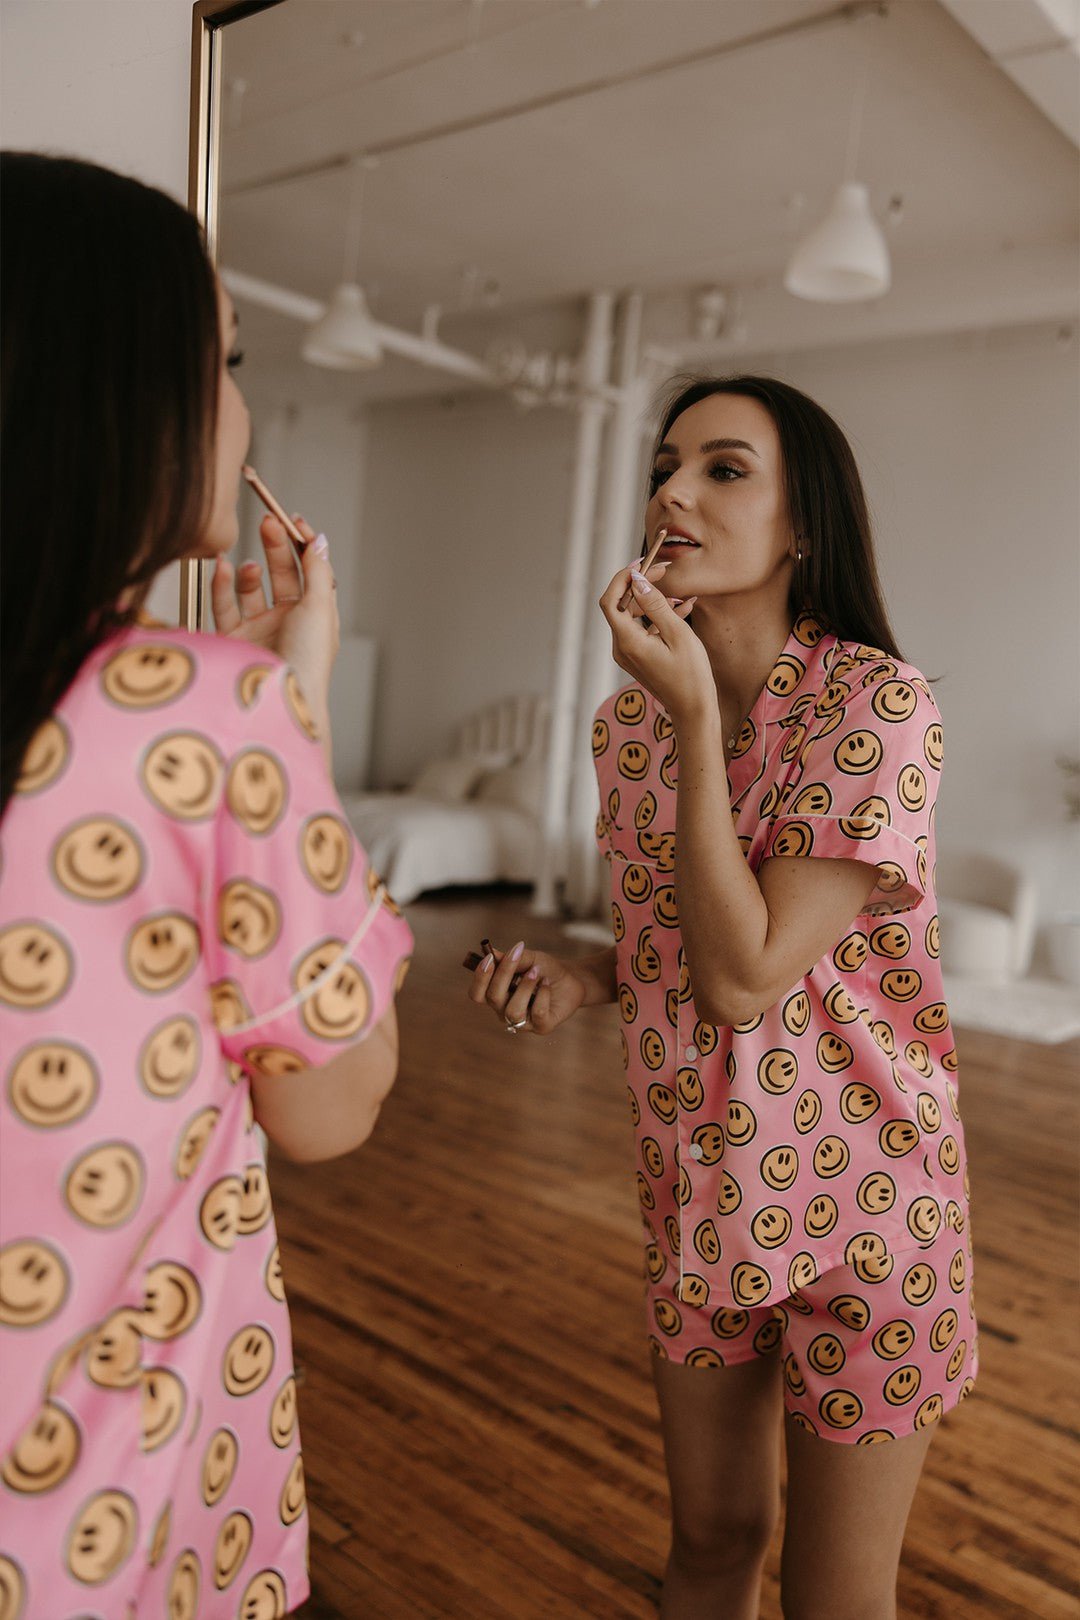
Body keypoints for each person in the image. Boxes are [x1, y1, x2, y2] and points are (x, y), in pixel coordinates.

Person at [469, 375, 977, 1619]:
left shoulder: (879, 707)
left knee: (832, 1597)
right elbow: (668, 939)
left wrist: (694, 714)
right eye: (664, 465)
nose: (672, 493)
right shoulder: (623, 729)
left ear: (805, 526)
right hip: (699, 1190)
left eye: (724, 469)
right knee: (708, 1543)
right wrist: (580, 978)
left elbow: (748, 976)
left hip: (866, 1202)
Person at [0, 153, 412, 1620]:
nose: (243, 409)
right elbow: (327, 1104)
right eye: (225, 359)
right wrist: (284, 706)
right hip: (119, 1517)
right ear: (120, 391)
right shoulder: (202, 714)